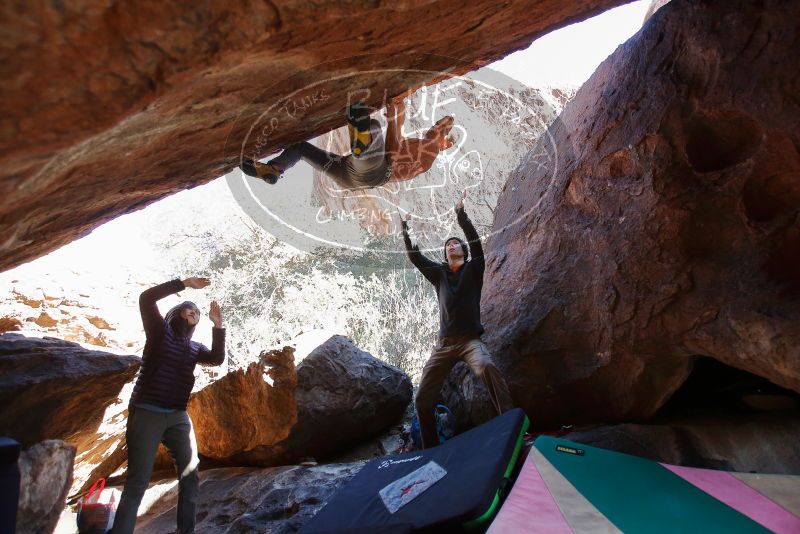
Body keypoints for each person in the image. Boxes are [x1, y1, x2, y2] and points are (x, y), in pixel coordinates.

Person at [112, 277, 225, 534]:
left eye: (197, 311)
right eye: (190, 308)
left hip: (177, 416)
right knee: (137, 482)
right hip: (147, 411)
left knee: (190, 475)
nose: (195, 312)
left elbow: (216, 359)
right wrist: (184, 284)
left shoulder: (195, 348)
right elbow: (146, 298)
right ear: (177, 313)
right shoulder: (159, 332)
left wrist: (218, 326)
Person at [401, 191, 513, 449]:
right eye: (447, 244)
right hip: (444, 345)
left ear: (462, 250)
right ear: (445, 253)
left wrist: (461, 214)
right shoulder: (439, 274)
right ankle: (430, 449)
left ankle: (509, 426)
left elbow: (475, 242)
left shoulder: (474, 269)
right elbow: (415, 257)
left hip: (470, 342)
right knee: (423, 398)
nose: (451, 245)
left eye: (455, 243)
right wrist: (405, 227)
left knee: (486, 366)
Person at [240, 96, 454, 189]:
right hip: (348, 175)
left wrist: (395, 120)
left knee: (374, 128)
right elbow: (397, 146)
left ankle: (361, 141)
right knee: (302, 149)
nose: (434, 127)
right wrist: (398, 120)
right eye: (437, 123)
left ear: (446, 144)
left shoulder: (431, 151)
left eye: (440, 129)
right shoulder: (425, 150)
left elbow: (393, 152)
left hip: (373, 172)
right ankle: (275, 169)